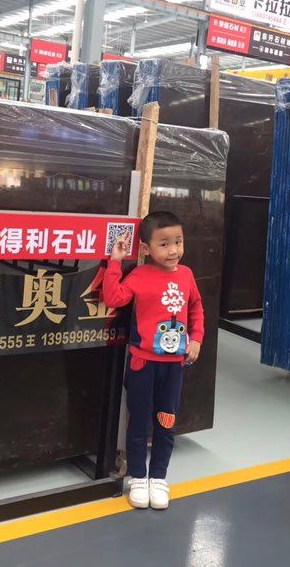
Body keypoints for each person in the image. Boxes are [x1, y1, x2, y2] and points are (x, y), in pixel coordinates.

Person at [102, 211, 204, 510]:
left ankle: (159, 477)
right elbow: (114, 298)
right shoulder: (139, 275)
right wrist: (115, 262)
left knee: (166, 422)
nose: (173, 250)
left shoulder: (186, 275)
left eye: (178, 242)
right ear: (145, 248)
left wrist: (196, 338)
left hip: (174, 367)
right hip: (142, 365)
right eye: (164, 244)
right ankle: (138, 476)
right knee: (138, 423)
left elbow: (196, 307)